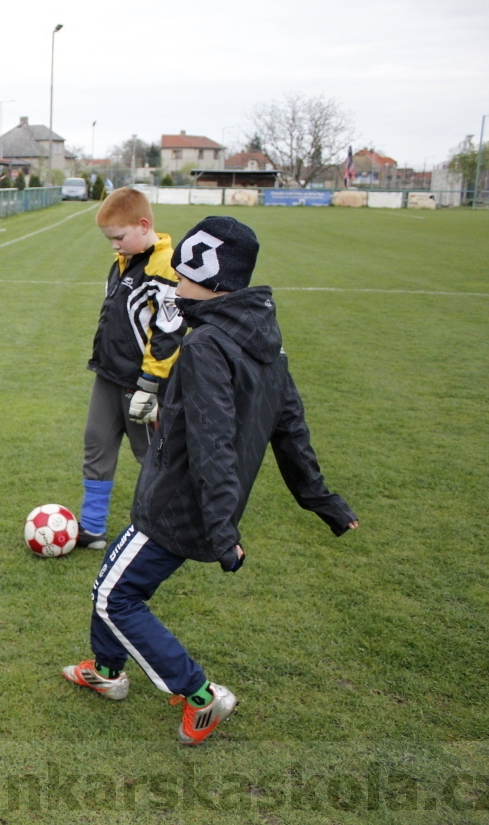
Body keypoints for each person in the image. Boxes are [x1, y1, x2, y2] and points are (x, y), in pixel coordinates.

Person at [61, 216, 359, 746]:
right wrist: (324, 500)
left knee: (113, 597)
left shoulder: (204, 348)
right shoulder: (264, 337)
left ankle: (201, 697)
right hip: (195, 503)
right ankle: (107, 671)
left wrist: (222, 531)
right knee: (115, 578)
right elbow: (290, 427)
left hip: (179, 506)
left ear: (216, 282)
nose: (176, 288)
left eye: (184, 278)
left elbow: (213, 444)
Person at [77, 187, 184, 551]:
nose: (115, 246)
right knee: (97, 444)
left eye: (119, 237)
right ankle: (91, 528)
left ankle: (168, 529)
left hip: (142, 385)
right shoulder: (125, 259)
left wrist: (150, 384)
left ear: (143, 225)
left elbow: (169, 333)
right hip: (109, 376)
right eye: (110, 240)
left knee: (152, 456)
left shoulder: (166, 267)